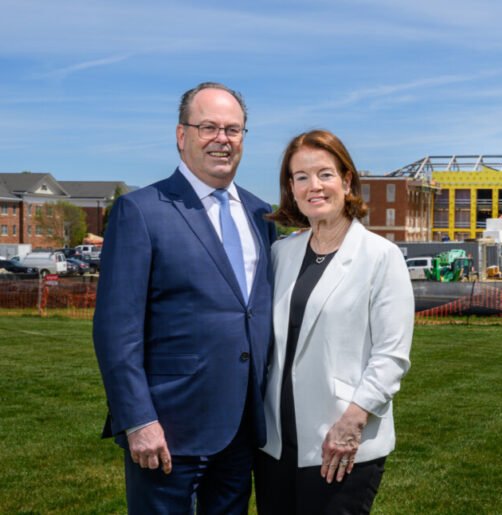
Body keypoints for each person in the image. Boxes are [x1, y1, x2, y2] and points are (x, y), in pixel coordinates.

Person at [93, 82, 276, 513]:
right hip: (168, 428)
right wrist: (138, 419)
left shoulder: (261, 214)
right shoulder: (142, 210)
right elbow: (117, 330)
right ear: (182, 135)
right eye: (208, 127)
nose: (222, 139)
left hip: (242, 427)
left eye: (233, 129)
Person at [257, 130, 414, 514]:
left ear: (346, 181)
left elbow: (391, 356)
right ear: (291, 189)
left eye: (325, 174)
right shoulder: (281, 253)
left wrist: (352, 423)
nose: (314, 186)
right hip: (275, 446)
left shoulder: (381, 256)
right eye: (301, 177)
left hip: (341, 442)